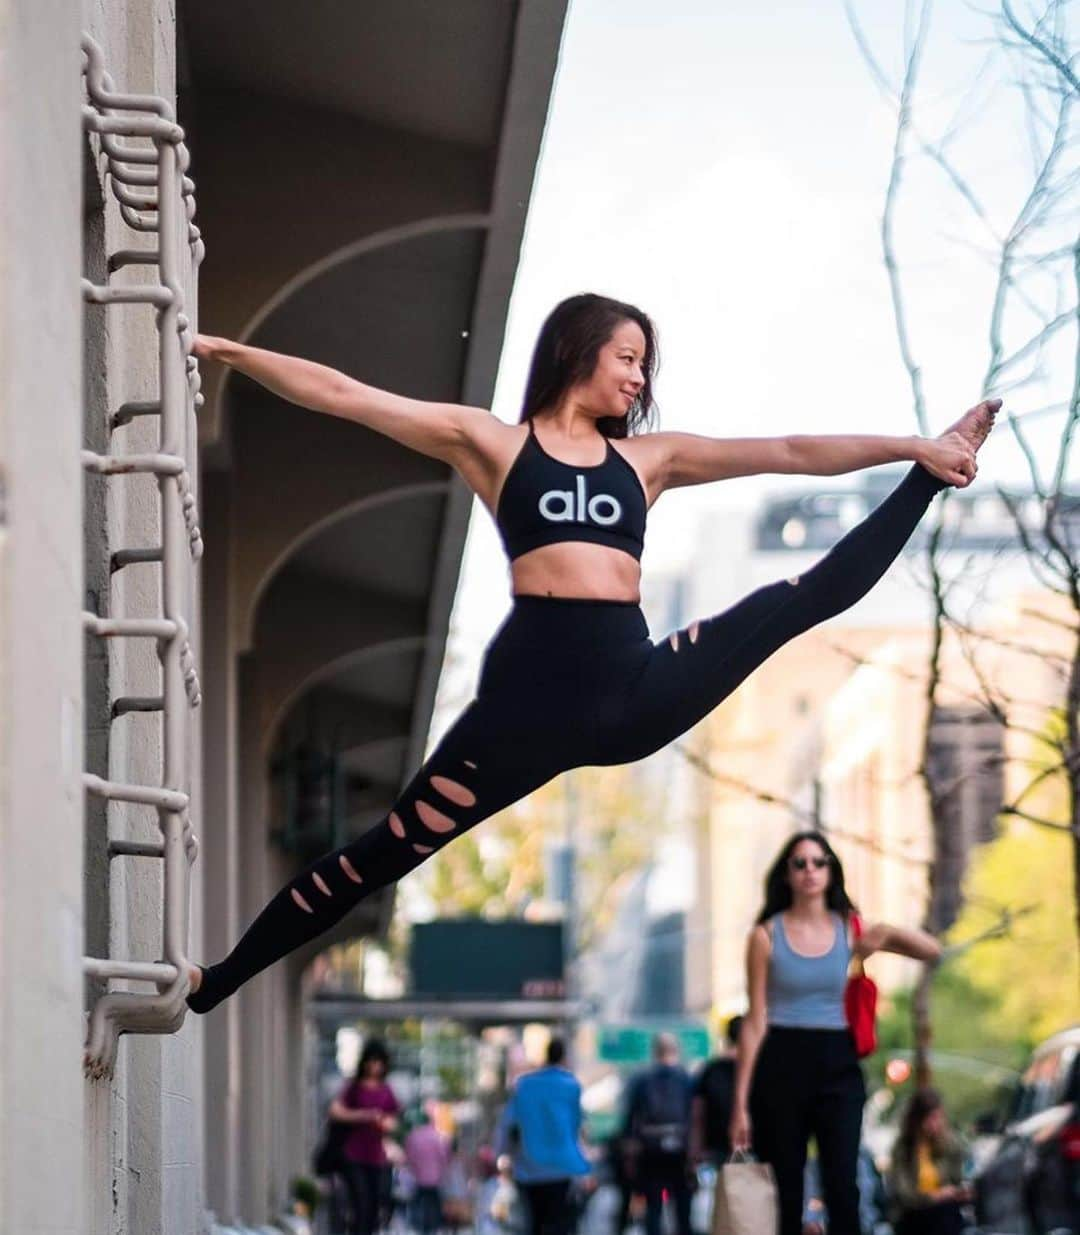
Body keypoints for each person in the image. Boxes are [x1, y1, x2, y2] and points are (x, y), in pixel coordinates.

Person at [184, 294, 995, 1015]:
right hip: (523, 713)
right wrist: (230, 353)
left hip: (632, 690)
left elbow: (788, 449)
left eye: (646, 365)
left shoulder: (650, 460)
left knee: (794, 602)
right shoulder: (490, 443)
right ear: (579, 352)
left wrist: (912, 448)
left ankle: (926, 485)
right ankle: (214, 982)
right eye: (629, 358)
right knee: (382, 851)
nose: (641, 379)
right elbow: (346, 396)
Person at [730, 832, 945, 1235]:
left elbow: (932, 950)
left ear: (831, 871)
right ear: (787, 875)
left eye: (819, 862)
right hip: (781, 1061)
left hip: (838, 1061)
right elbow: (754, 1021)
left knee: (843, 1184)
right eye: (800, 863)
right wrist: (739, 1104)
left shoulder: (852, 931)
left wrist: (884, 933)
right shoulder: (766, 936)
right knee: (787, 1187)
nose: (810, 871)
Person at [496, 1038, 590, 1235]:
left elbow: (508, 1126)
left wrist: (504, 1155)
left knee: (534, 1224)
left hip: (529, 1167)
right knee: (560, 1224)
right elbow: (578, 1127)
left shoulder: (525, 1085)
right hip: (562, 1168)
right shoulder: (571, 1086)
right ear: (565, 1057)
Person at [622, 1032, 695, 1235]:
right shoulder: (686, 1080)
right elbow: (695, 1116)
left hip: (650, 1150)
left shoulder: (642, 1081)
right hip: (680, 1150)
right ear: (676, 1051)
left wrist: (629, 1154)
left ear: (655, 1052)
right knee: (683, 1208)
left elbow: (631, 1119)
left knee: (653, 1208)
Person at [329, 1038, 401, 1235]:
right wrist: (363, 1115)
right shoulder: (354, 1088)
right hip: (353, 1154)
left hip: (375, 1156)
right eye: (371, 1061)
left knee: (374, 1205)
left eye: (378, 1062)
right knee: (359, 1202)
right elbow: (335, 1111)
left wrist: (383, 1122)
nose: (374, 1066)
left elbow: (394, 1121)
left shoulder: (386, 1090)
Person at [888, 1089, 971, 1235]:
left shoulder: (950, 1145)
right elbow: (903, 1195)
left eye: (939, 1118)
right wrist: (935, 1196)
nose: (937, 1124)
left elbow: (957, 1180)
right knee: (943, 1215)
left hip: (943, 1212)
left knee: (952, 1214)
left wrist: (961, 1192)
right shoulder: (903, 1149)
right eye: (931, 1118)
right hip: (913, 1214)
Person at [689, 1014, 743, 1166]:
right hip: (752, 1150)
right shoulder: (759, 1069)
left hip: (715, 1151)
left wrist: (695, 1149)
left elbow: (697, 1113)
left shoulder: (711, 1070)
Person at [405, 1107, 451, 1235]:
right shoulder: (439, 1137)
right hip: (436, 1178)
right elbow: (445, 1158)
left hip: (418, 1178)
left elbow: (409, 1157)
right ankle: (433, 1228)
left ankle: (420, 1227)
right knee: (435, 1205)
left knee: (419, 1204)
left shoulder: (413, 1136)